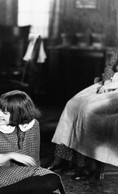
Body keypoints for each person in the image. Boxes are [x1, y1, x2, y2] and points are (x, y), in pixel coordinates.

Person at [49, 49, 118, 181]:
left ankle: (89, 165)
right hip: (110, 85)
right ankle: (62, 157)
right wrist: (108, 82)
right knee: (73, 104)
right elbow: (110, 66)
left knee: (88, 110)